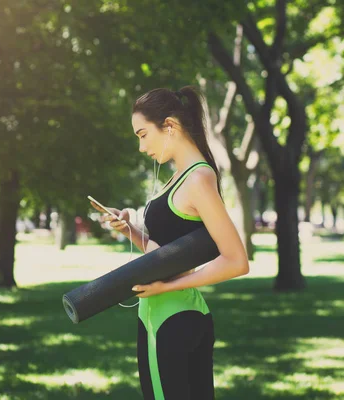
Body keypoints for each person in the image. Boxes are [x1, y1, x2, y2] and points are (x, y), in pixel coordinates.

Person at [90, 86, 249, 400]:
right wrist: (130, 231)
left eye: (143, 134)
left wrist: (166, 288)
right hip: (174, 316)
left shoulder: (198, 179)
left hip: (169, 319)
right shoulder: (178, 178)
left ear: (170, 126)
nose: (140, 146)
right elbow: (167, 255)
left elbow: (236, 261)